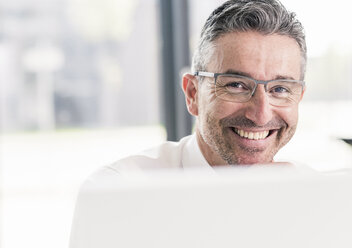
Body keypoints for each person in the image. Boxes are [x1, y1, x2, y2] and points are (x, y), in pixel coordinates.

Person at [87, 0, 306, 177]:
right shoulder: (122, 189)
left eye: (280, 89)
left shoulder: (316, 197)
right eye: (236, 85)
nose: (260, 115)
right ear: (193, 93)